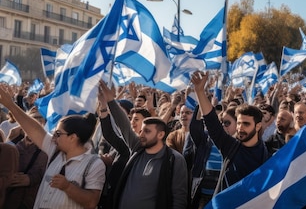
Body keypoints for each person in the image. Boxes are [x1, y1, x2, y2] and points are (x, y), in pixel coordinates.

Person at [0, 83, 105, 209]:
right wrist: (10, 105)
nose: (54, 137)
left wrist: (67, 187)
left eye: (58, 134)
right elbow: (34, 130)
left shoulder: (94, 164)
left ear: (73, 137)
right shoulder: (55, 152)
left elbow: (91, 202)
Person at [99, 81, 188, 209]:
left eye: (147, 131)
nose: (141, 135)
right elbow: (124, 126)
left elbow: (179, 198)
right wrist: (110, 101)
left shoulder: (174, 160)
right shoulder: (137, 148)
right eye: (141, 131)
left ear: (160, 135)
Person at [191, 71, 269, 193]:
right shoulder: (230, 146)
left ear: (258, 126)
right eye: (238, 123)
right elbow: (211, 122)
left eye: (246, 124)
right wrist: (199, 91)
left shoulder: (264, 151)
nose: (240, 128)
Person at [4, 109, 49, 209]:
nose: (37, 123)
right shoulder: (14, 141)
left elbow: (47, 174)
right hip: (6, 198)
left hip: (27, 201)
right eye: (33, 119)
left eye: (40, 120)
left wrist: (30, 179)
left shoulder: (46, 149)